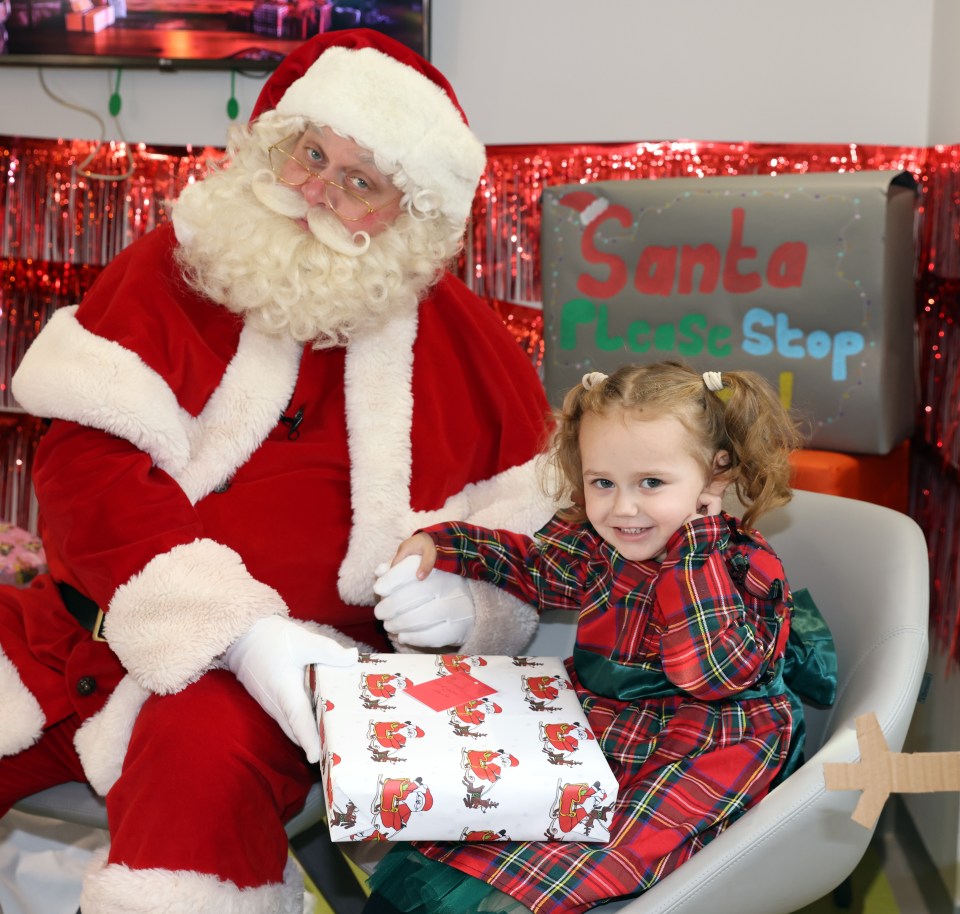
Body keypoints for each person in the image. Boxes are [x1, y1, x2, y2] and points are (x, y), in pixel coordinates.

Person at [0, 29, 556, 913]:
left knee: (198, 782)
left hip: (272, 692)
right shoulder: (177, 266)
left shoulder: (472, 352)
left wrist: (471, 601)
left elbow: (529, 546)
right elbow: (81, 466)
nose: (315, 193)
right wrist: (234, 627)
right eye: (310, 154)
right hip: (67, 636)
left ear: (407, 217)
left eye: (359, 180)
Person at [366, 361, 806, 914]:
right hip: (609, 719)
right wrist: (444, 542)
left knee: (568, 861)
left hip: (710, 742)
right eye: (603, 482)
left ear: (715, 477)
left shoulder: (744, 566)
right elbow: (529, 564)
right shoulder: (600, 549)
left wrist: (693, 548)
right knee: (473, 829)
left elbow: (708, 671)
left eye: (651, 482)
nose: (623, 507)